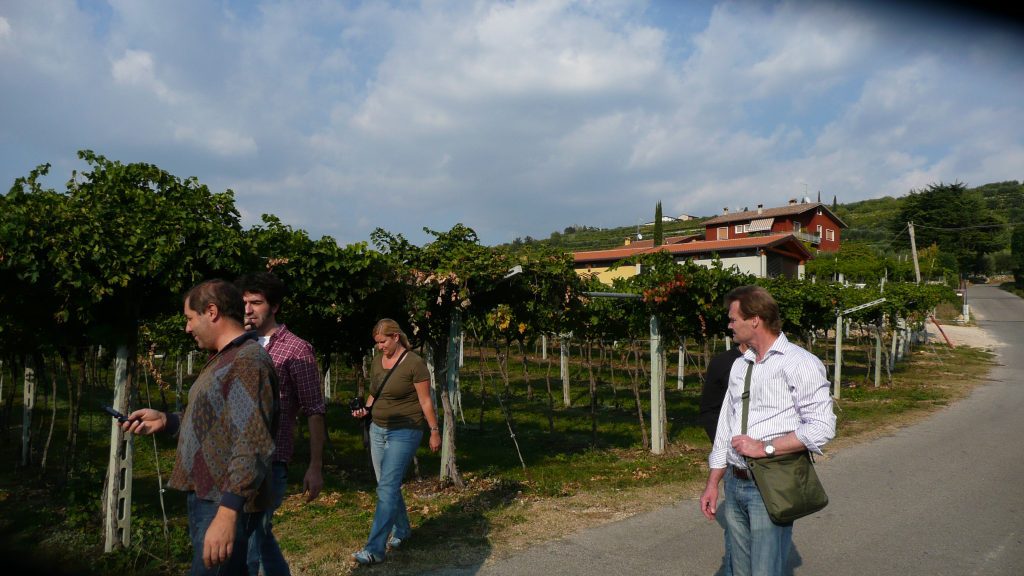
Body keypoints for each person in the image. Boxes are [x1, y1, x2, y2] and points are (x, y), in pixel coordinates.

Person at [123, 279, 278, 576]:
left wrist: (228, 511)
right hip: (210, 496)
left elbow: (252, 442)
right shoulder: (227, 358)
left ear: (212, 311)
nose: (187, 328)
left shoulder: (247, 361)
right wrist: (167, 420)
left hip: (222, 500)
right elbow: (223, 423)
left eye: (189, 319)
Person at [699, 286, 835, 576]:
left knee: (764, 572)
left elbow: (822, 427)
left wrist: (765, 447)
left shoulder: (800, 363)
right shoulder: (739, 365)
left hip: (770, 481)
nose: (729, 325)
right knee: (739, 570)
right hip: (734, 484)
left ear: (755, 320)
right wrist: (713, 483)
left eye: (734, 319)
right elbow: (725, 425)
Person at [235, 272, 327, 576]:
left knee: (246, 548)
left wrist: (315, 466)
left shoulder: (297, 349)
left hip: (270, 462)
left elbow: (314, 409)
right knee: (259, 538)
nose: (248, 309)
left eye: (256, 303)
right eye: (245, 302)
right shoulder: (236, 344)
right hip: (235, 458)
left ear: (274, 306)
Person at [349, 319, 442, 565]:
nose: (379, 347)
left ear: (396, 337)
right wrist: (365, 410)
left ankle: (374, 549)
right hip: (378, 429)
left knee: (387, 487)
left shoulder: (415, 364)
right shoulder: (378, 362)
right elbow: (374, 391)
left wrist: (434, 430)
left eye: (383, 342)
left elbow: (425, 401)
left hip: (405, 431)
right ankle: (402, 530)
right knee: (386, 486)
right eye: (377, 343)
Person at [699, 341, 747, 576]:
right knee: (737, 540)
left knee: (768, 540)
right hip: (734, 463)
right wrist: (724, 447)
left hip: (772, 468)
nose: (731, 326)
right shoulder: (723, 363)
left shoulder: (785, 361)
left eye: (735, 319)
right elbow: (710, 409)